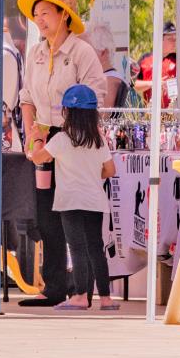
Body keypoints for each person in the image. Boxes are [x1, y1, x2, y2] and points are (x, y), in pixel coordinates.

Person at [15, 0, 104, 308]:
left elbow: (95, 98)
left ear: (64, 15)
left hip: (76, 142)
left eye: (46, 13)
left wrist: (65, 137)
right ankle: (53, 285)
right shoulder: (36, 53)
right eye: (36, 15)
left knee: (75, 214)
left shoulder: (82, 52)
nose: (40, 20)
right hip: (44, 140)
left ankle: (82, 287)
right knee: (46, 212)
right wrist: (31, 134)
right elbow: (26, 97)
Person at [34, 83, 117, 311]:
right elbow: (110, 170)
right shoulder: (98, 140)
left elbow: (37, 158)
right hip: (94, 200)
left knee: (77, 248)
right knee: (95, 248)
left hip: (70, 200)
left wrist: (38, 138)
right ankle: (107, 299)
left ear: (67, 112)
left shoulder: (60, 140)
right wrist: (92, 174)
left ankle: (80, 296)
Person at [135, 24, 180, 108]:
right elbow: (136, 84)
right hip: (150, 113)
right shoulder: (145, 58)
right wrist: (153, 83)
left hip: (175, 113)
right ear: (159, 40)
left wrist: (174, 83)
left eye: (176, 39)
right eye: (170, 39)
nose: (175, 42)